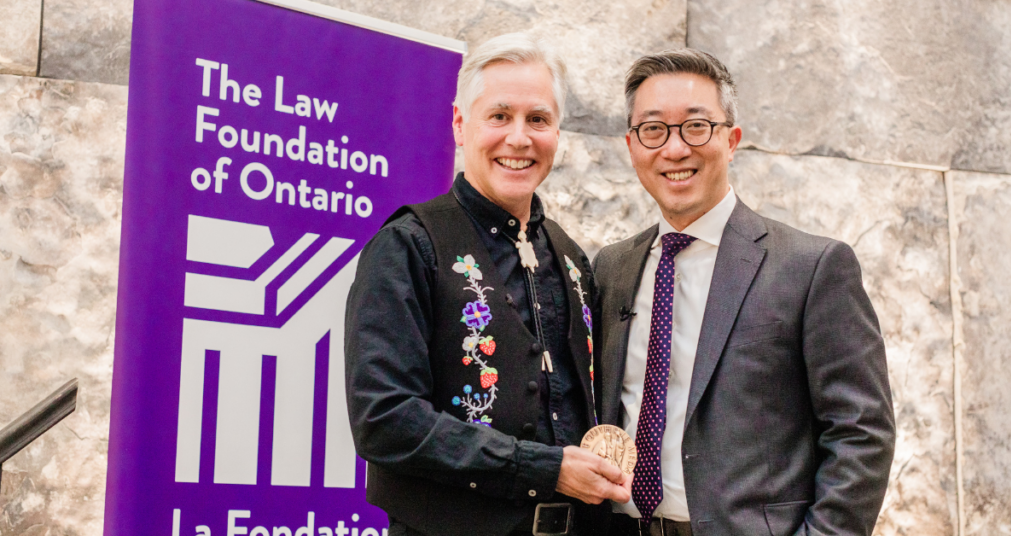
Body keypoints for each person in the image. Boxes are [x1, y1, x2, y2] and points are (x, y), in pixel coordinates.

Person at [593, 49, 896, 536]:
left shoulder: (811, 266)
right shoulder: (612, 267)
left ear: (731, 140)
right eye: (653, 129)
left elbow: (862, 433)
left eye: (696, 126)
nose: (674, 149)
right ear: (631, 146)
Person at [345, 33, 630, 536]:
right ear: (460, 124)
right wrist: (543, 468)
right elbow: (384, 419)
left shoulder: (572, 259)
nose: (519, 138)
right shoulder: (408, 246)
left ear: (557, 133)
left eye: (538, 119)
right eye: (499, 116)